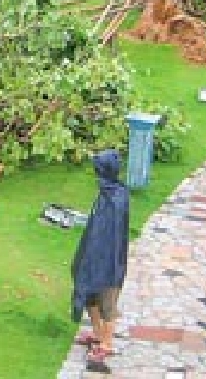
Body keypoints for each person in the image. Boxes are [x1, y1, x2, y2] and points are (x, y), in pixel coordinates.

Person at [71, 149, 130, 365]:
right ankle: (97, 333)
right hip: (95, 257)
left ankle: (106, 344)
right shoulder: (109, 192)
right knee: (89, 293)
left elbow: (110, 236)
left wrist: (103, 262)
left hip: (110, 262)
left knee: (107, 304)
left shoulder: (116, 199)